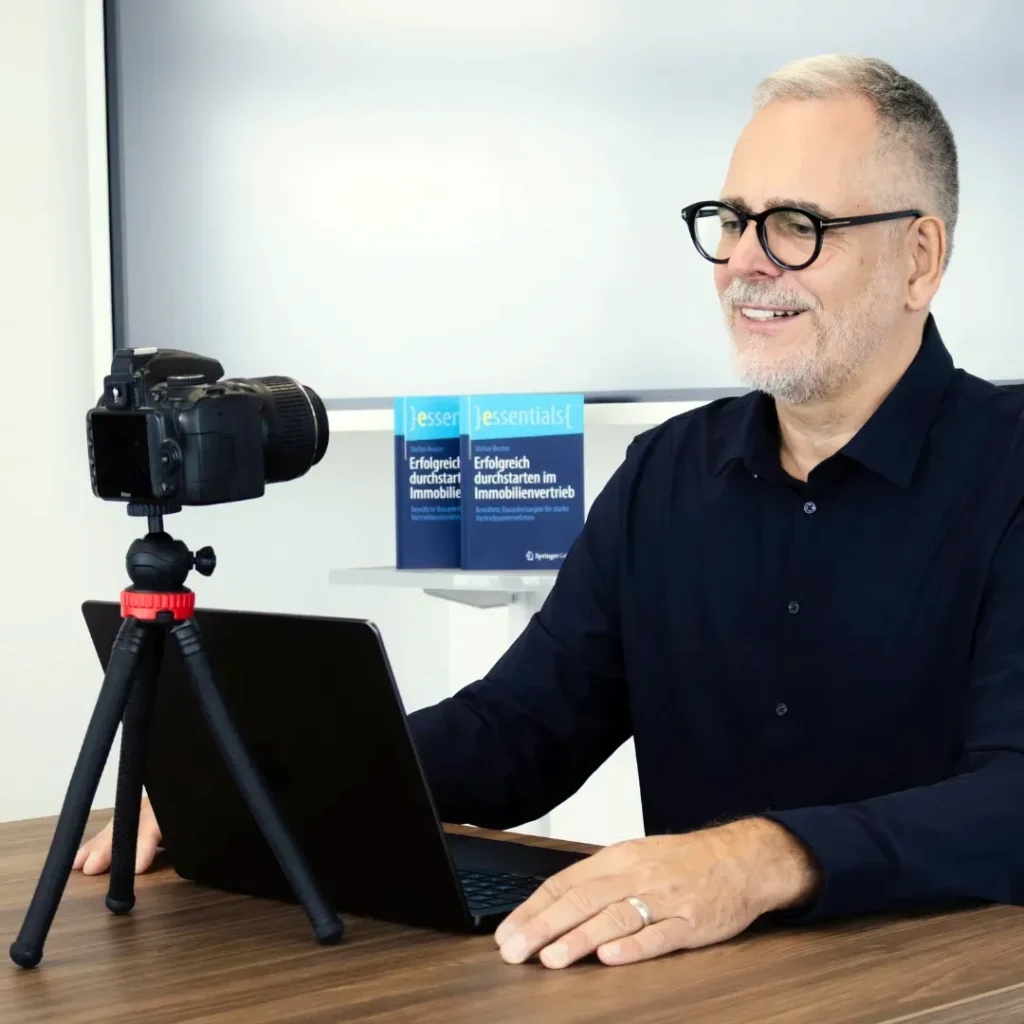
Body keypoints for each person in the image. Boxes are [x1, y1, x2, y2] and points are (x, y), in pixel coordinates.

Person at [75, 53, 1024, 972]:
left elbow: (1011, 797)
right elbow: (521, 731)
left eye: (795, 225)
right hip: (694, 987)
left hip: (952, 987)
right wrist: (266, 785)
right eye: (733, 221)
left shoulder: (1008, 468)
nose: (744, 262)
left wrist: (753, 862)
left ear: (919, 258)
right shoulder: (666, 473)